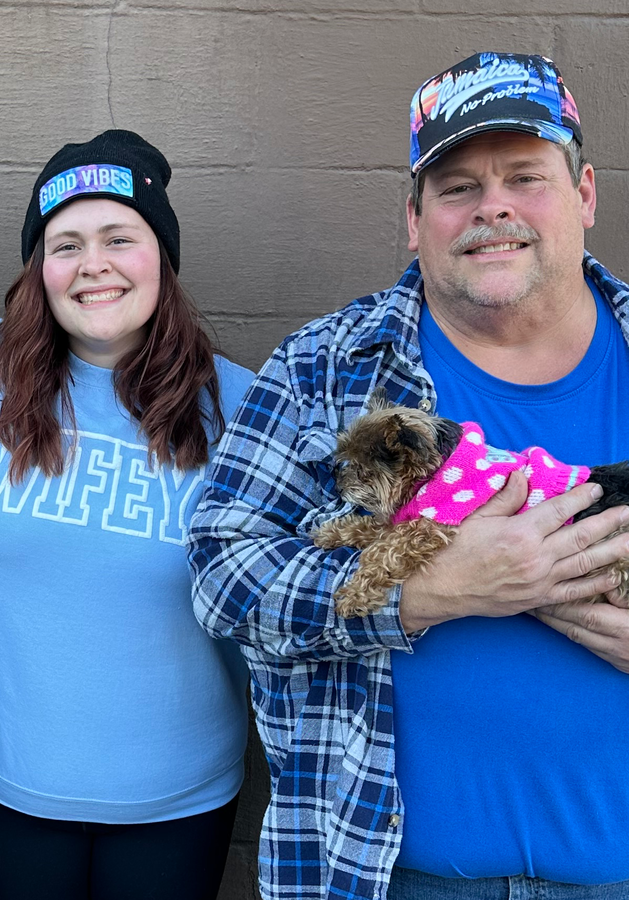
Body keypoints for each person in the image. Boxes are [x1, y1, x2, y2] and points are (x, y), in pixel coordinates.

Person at [188, 52, 629, 900]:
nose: (493, 206)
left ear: (585, 195)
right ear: (414, 217)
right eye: (458, 186)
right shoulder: (324, 368)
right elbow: (222, 574)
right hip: (383, 873)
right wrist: (427, 589)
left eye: (525, 176)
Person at [0, 130, 253, 900]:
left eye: (120, 238)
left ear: (162, 257)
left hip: (180, 798)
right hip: (4, 787)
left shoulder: (241, 406)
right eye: (66, 245)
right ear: (38, 270)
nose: (93, 264)